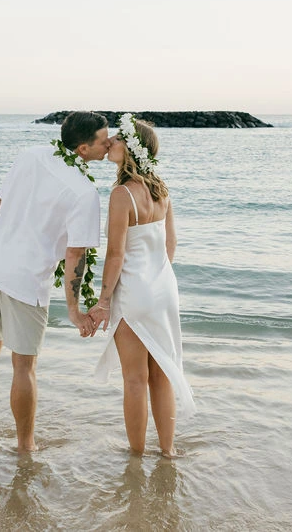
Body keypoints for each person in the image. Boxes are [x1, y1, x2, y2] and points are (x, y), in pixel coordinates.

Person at [0, 111, 111, 452]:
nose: (109, 145)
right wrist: (76, 311)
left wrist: (10, 241)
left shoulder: (30, 155)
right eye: (103, 141)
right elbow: (76, 254)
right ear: (82, 148)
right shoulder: (84, 192)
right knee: (24, 365)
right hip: (26, 279)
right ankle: (25, 445)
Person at [90, 114, 194, 457]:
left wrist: (104, 300)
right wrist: (156, 276)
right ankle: (168, 452)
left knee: (134, 380)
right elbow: (171, 245)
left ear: (131, 149)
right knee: (161, 374)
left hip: (134, 293)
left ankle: (136, 457)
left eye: (118, 139)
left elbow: (116, 254)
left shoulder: (122, 194)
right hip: (164, 289)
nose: (110, 143)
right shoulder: (161, 191)